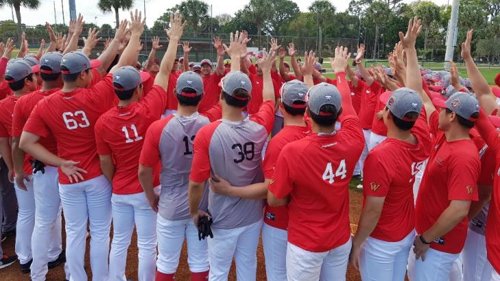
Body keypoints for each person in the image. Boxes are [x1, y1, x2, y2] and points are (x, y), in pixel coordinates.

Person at [18, 12, 132, 281]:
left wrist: (59, 162)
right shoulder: (95, 95)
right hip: (95, 176)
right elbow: (118, 68)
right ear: (81, 75)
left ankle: (76, 278)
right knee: (101, 231)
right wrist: (124, 40)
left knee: (76, 231)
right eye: (88, 72)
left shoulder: (46, 103)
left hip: (67, 177)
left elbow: (25, 143)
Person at [208, 51, 314, 281]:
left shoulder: (277, 141)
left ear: (281, 107)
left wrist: (229, 191)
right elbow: (269, 100)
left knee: (276, 274)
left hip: (279, 221)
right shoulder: (317, 133)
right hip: (311, 222)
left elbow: (270, 191)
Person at [94, 13, 184, 281]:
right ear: (138, 90)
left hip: (120, 189)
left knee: (120, 241)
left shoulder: (103, 122)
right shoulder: (149, 109)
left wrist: (116, 182)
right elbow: (165, 71)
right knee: (147, 245)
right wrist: (174, 39)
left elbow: (105, 163)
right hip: (149, 187)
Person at [267, 46, 364, 281]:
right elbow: (349, 108)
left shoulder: (293, 150)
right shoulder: (354, 140)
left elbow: (275, 199)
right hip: (339, 239)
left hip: (306, 242)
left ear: (307, 113)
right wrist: (340, 73)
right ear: (337, 114)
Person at [188, 31, 275, 281]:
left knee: (218, 273)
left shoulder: (208, 132)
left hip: (223, 217)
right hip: (252, 215)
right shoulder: (260, 127)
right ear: (247, 99)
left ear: (221, 93)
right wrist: (267, 71)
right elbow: (269, 99)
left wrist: (195, 212)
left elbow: (195, 183)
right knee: (247, 268)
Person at [402, 18, 480, 281]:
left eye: (446, 108)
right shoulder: (445, 133)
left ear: (454, 117)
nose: (440, 109)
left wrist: (426, 238)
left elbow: (459, 209)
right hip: (436, 239)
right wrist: (410, 50)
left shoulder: (463, 155)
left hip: (437, 244)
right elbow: (418, 93)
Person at [350, 87, 431, 280]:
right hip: (406, 229)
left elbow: (373, 210)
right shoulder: (422, 138)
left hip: (382, 238)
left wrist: (357, 243)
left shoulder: (380, 156)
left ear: (388, 115)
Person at [12, 52, 68, 280]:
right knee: (73, 226)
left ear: (39, 75)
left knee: (43, 221)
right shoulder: (70, 96)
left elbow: (17, 142)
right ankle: (73, 272)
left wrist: (17, 170)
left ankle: (37, 273)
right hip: (72, 168)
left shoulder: (25, 101)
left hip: (42, 169)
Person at [0, 59, 38, 273]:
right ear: (27, 81)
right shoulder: (38, 100)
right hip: (41, 166)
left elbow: (4, 141)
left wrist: (12, 167)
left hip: (19, 168)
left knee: (26, 213)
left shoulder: (2, 105)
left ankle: (25, 256)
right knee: (46, 215)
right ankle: (50, 253)